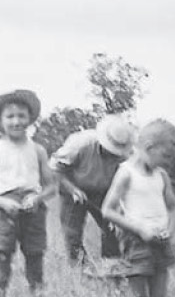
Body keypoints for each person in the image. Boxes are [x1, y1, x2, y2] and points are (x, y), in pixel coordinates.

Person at [0, 89, 55, 297]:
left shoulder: (38, 150)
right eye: (10, 116)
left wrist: (37, 199)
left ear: (30, 119)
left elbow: (52, 187)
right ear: (0, 120)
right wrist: (2, 202)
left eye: (21, 116)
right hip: (4, 211)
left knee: (35, 265)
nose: (16, 121)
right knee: (1, 266)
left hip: (32, 210)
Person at [101, 120, 175, 297]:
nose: (166, 163)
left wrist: (170, 232)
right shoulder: (126, 173)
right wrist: (140, 229)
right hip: (137, 243)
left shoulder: (161, 175)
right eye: (164, 156)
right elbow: (108, 210)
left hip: (161, 243)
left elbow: (173, 208)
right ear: (149, 147)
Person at [50, 114, 134, 265]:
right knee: (72, 233)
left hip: (103, 191)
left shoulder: (124, 155)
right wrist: (72, 189)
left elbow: (124, 183)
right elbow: (56, 169)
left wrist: (120, 209)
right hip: (73, 189)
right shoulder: (81, 144)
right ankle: (81, 270)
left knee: (112, 227)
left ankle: (111, 266)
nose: (113, 155)